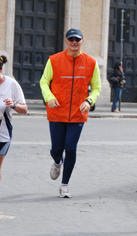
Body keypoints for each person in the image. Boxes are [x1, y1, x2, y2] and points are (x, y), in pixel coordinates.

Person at [39, 28, 101, 198]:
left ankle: (64, 184)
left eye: (77, 39)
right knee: (56, 149)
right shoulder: (54, 60)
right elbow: (44, 81)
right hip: (57, 111)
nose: (74, 42)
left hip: (77, 113)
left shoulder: (91, 62)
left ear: (82, 41)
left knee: (71, 148)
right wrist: (49, 97)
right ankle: (57, 161)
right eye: (71, 39)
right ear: (66, 41)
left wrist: (89, 101)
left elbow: (97, 87)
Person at [0, 55, 28, 181]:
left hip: (2, 134)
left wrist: (14, 105)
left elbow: (24, 109)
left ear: (1, 69)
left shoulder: (11, 84)